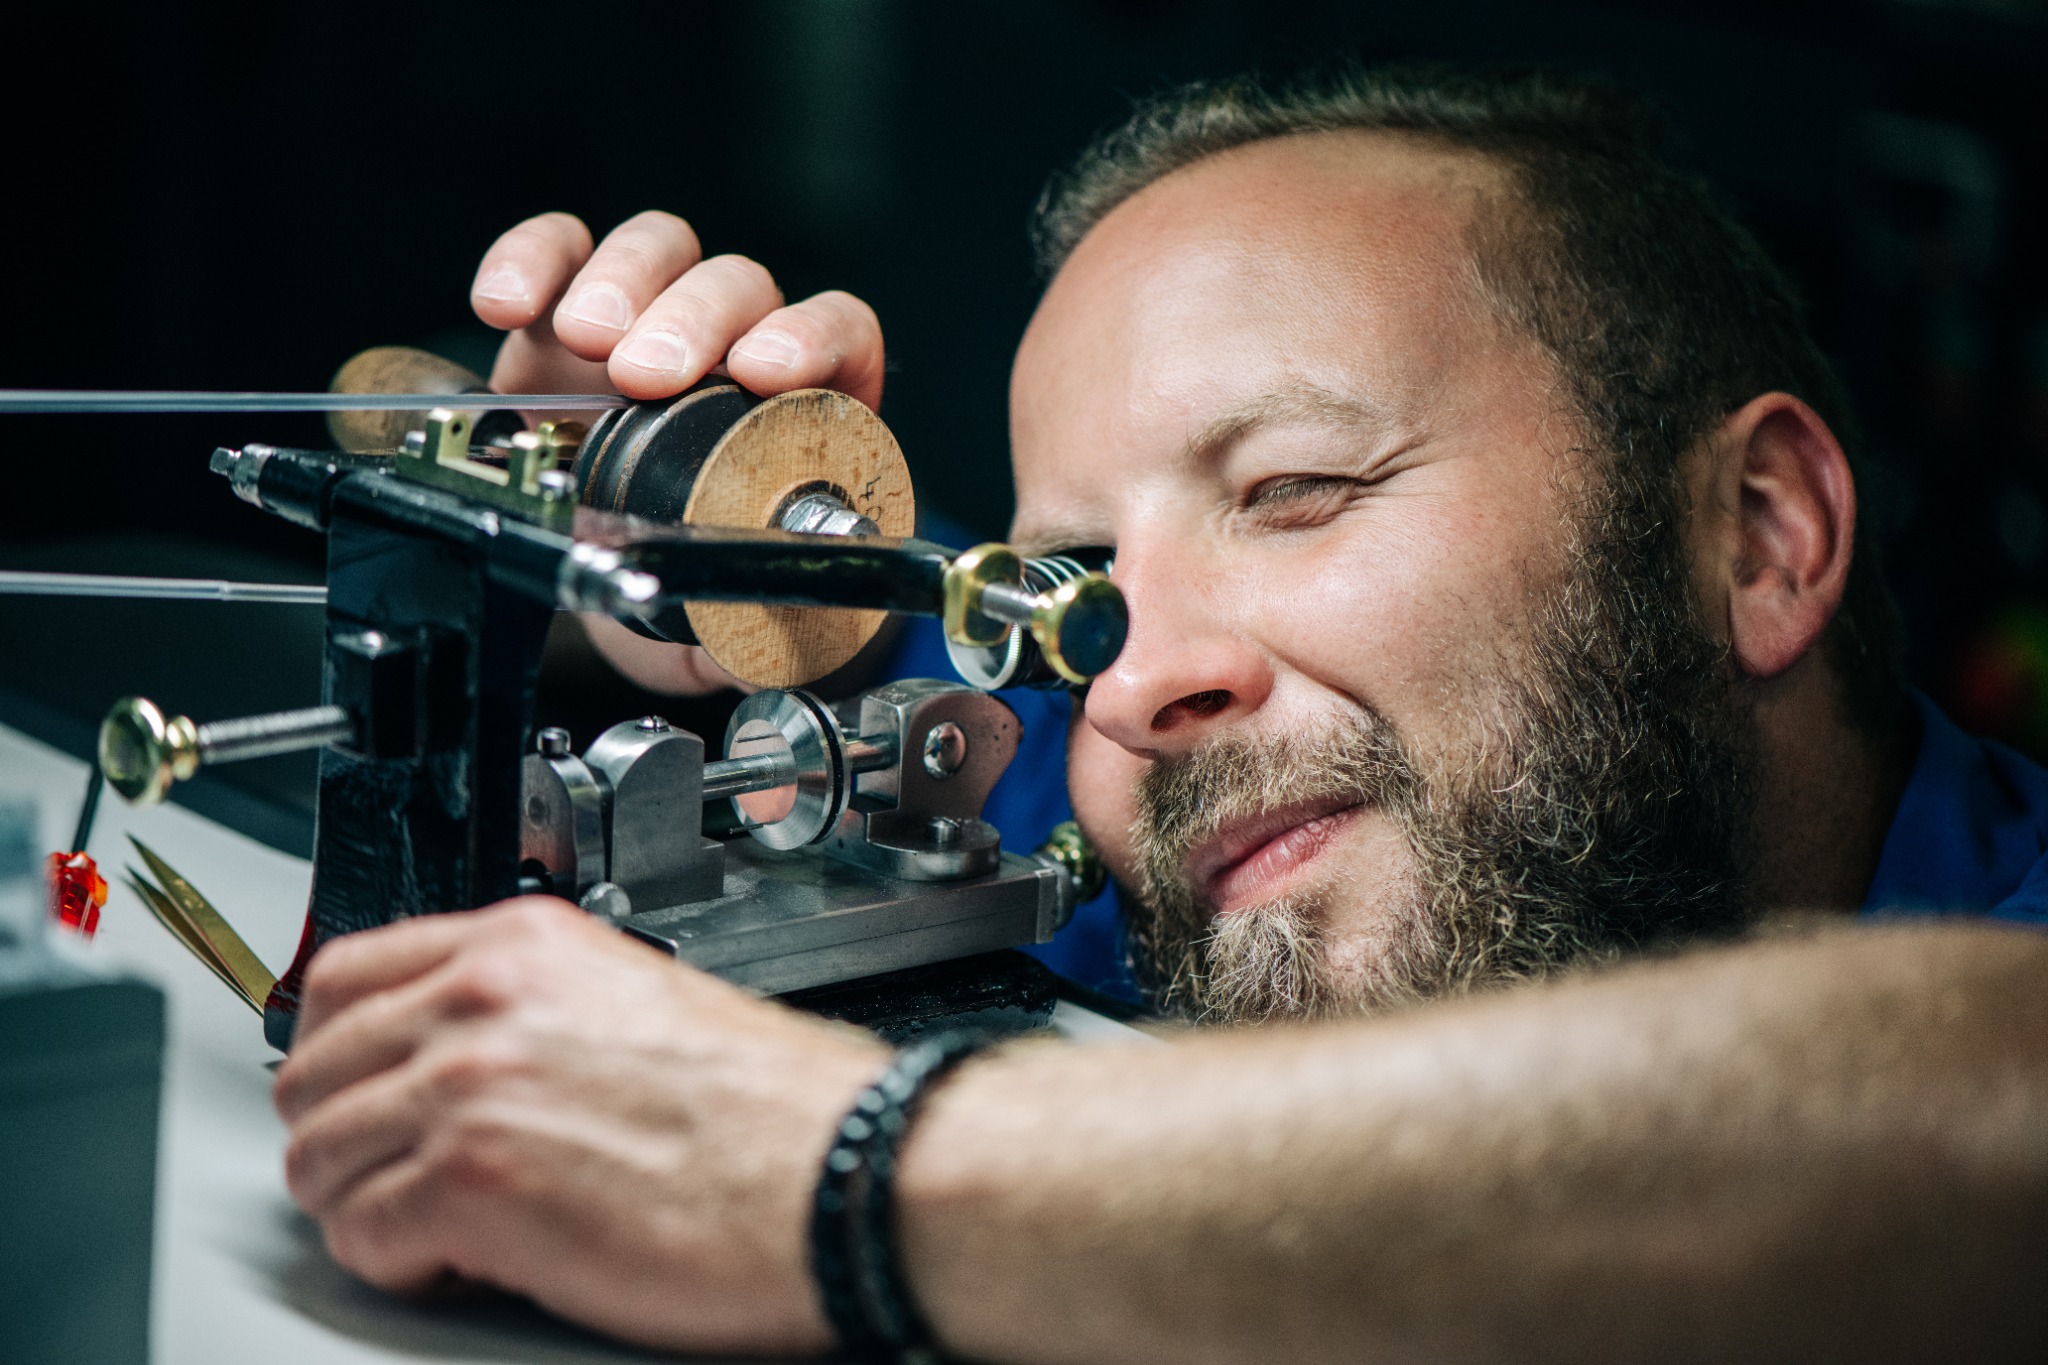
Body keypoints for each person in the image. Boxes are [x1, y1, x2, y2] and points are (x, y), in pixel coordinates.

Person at [272, 66, 2048, 1360]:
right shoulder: (1174, 764)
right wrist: (633, 578)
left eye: (1293, 488)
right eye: (1086, 577)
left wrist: (849, 1176)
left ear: (1757, 538)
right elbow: (872, 622)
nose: (1130, 674)